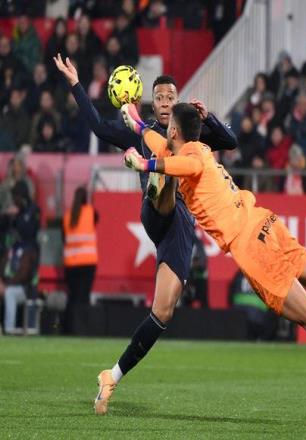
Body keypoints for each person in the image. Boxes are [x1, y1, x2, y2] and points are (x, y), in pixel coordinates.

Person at [123, 103, 306, 390]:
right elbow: (158, 143)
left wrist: (145, 164)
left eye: (168, 128)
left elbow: (184, 163)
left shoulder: (190, 156)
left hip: (251, 246)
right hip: (264, 222)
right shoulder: (195, 147)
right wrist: (136, 123)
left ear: (174, 131)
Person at [53, 53, 237, 415]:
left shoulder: (192, 129)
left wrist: (209, 117)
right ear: (152, 102)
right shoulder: (143, 131)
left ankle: (111, 376)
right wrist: (75, 83)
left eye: (171, 97)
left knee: (163, 312)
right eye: (160, 97)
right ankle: (159, 175)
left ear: (177, 100)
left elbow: (229, 141)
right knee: (165, 167)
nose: (166, 102)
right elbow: (98, 127)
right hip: (155, 210)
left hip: (179, 227)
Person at [0, 181, 40, 335]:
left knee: (9, 293)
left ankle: (9, 330)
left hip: (24, 287)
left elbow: (24, 273)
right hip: (9, 282)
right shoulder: (11, 249)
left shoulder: (29, 249)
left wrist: (6, 284)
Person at [62, 187, 98, 334]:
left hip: (70, 263)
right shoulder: (91, 212)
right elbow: (96, 221)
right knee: (84, 297)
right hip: (88, 263)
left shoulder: (67, 216)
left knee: (72, 297)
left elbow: (64, 238)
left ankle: (68, 329)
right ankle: (82, 329)